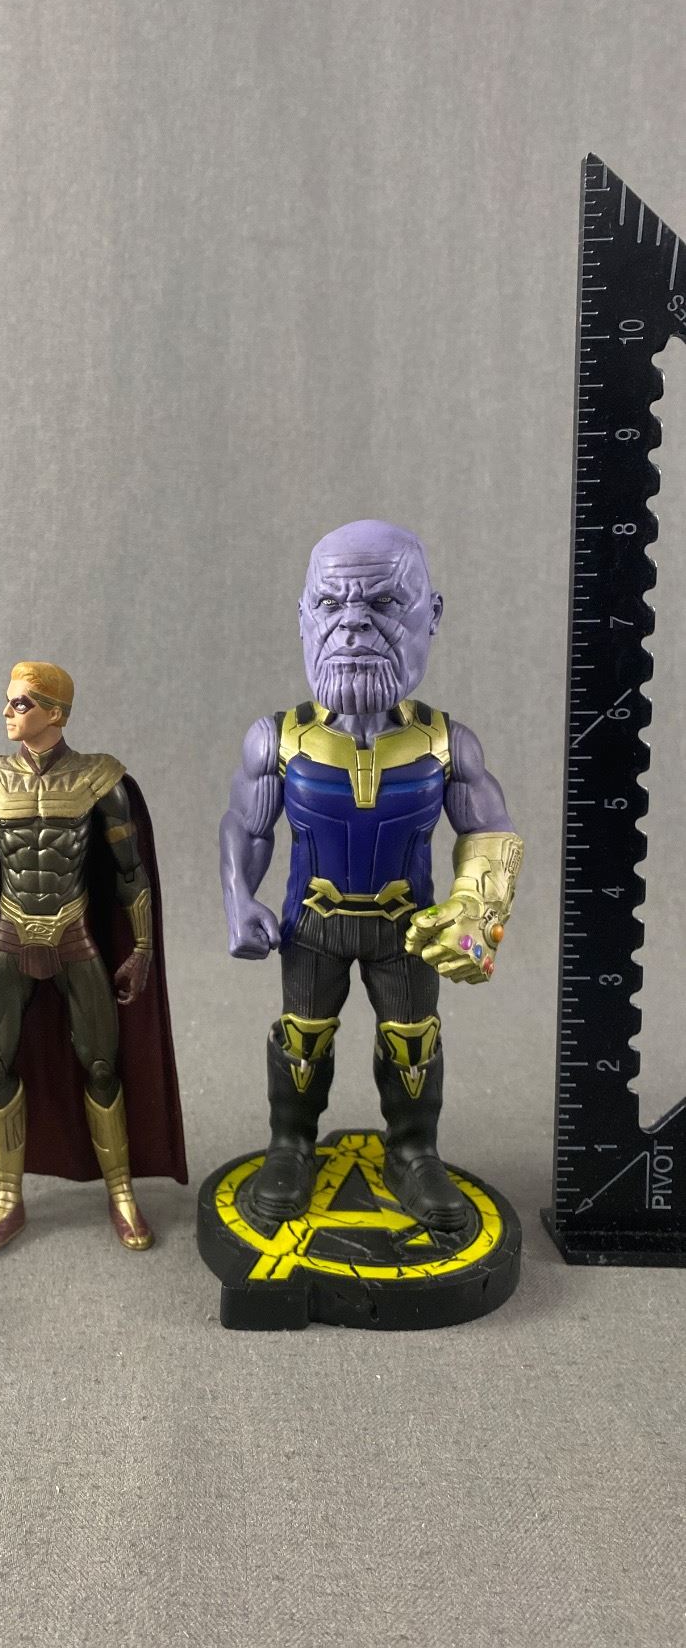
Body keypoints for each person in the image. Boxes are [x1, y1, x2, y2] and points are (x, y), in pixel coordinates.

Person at [219, 520, 523, 1231]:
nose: (352, 626)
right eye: (331, 604)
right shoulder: (278, 738)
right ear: (303, 615)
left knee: (414, 1039)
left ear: (430, 614)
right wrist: (239, 897)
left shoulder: (446, 743)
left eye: (383, 604)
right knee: (301, 1037)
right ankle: (291, 1144)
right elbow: (247, 825)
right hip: (312, 926)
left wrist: (475, 912)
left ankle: (414, 1152)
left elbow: (489, 832)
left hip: (406, 931)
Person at [0, 661, 186, 1254]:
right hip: (8, 934)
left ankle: (121, 1192)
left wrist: (142, 948)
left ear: (55, 713)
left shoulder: (100, 779)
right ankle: (8, 1198)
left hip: (75, 934)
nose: (7, 712)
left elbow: (130, 873)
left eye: (21, 703)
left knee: (103, 1064)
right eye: (8, 701)